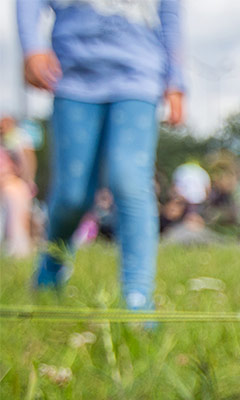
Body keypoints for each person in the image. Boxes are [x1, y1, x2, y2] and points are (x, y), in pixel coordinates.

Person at [17, 0, 185, 311]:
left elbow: (170, 12)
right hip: (73, 75)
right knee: (72, 195)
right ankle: (51, 269)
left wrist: (176, 79)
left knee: (129, 181)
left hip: (138, 74)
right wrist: (32, 47)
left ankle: (137, 298)